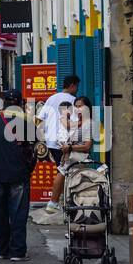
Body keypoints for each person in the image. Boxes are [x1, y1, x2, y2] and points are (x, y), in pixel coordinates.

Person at [0, 89, 37, 260]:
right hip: (18, 173)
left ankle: (0, 249)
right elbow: (34, 146)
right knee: (18, 214)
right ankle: (17, 251)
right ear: (20, 103)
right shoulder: (25, 120)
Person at [46, 95, 95, 209]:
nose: (77, 109)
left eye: (80, 106)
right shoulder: (77, 122)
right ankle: (56, 202)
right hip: (70, 157)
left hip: (78, 158)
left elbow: (87, 146)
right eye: (76, 106)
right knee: (63, 174)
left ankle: (55, 203)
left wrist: (70, 148)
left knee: (64, 174)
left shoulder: (89, 124)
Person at [39, 75, 80, 211]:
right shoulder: (73, 101)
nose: (77, 89)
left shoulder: (51, 98)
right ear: (72, 85)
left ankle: (63, 201)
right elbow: (74, 123)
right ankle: (54, 202)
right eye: (77, 86)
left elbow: (39, 118)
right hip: (65, 142)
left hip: (51, 141)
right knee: (64, 170)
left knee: (63, 170)